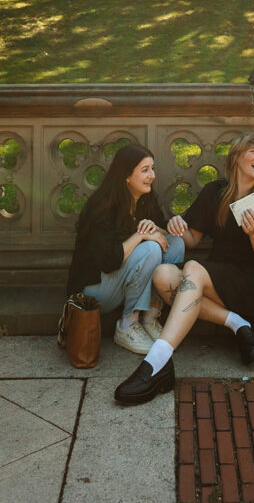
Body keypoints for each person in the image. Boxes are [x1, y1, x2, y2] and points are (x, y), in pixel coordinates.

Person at [114, 132, 254, 404]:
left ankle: (156, 363)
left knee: (192, 269)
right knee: (162, 274)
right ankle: (237, 323)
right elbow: (191, 239)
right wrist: (173, 226)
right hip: (217, 282)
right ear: (237, 156)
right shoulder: (215, 192)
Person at [66, 143, 185, 354]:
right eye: (145, 170)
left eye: (153, 168)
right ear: (126, 176)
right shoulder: (102, 208)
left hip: (123, 280)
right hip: (96, 289)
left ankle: (149, 317)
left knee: (176, 243)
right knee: (150, 248)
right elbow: (109, 261)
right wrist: (140, 235)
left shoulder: (144, 200)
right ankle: (127, 325)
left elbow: (163, 238)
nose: (152, 175)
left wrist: (156, 228)